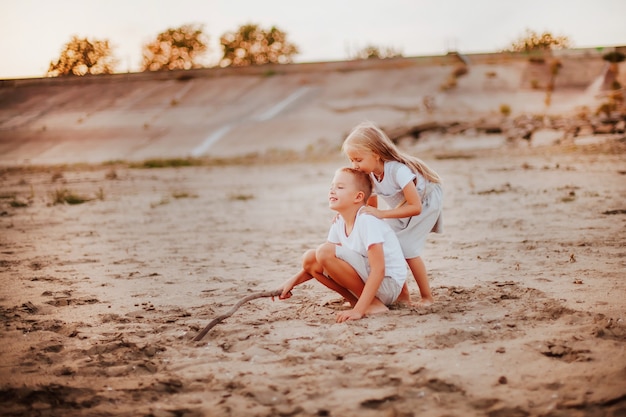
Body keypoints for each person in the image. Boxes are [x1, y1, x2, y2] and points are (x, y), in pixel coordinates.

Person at [276, 167, 407, 323]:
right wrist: (292, 282)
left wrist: (359, 312)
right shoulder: (339, 222)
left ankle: (371, 305)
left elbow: (379, 269)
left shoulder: (367, 220)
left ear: (358, 197)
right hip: (369, 282)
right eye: (332, 187)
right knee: (310, 258)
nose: (332, 191)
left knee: (324, 251)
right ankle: (356, 301)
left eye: (340, 187)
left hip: (387, 284)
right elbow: (319, 262)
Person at [341, 121, 443, 307]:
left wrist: (381, 214)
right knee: (389, 243)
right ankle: (402, 294)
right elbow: (369, 207)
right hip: (402, 206)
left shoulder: (398, 171)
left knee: (407, 248)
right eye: (351, 160)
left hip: (426, 202)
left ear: (376, 154)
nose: (354, 165)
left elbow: (415, 207)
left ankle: (427, 296)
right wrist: (348, 216)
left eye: (358, 159)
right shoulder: (369, 174)